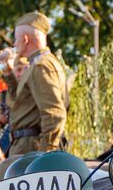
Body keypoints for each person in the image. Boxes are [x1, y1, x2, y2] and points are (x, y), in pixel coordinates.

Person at [5, 12, 68, 156]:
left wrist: (44, 155)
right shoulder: (39, 64)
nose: (14, 44)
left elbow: (54, 115)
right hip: (28, 145)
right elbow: (24, 102)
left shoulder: (41, 66)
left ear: (25, 39)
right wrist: (8, 72)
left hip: (31, 147)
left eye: (16, 39)